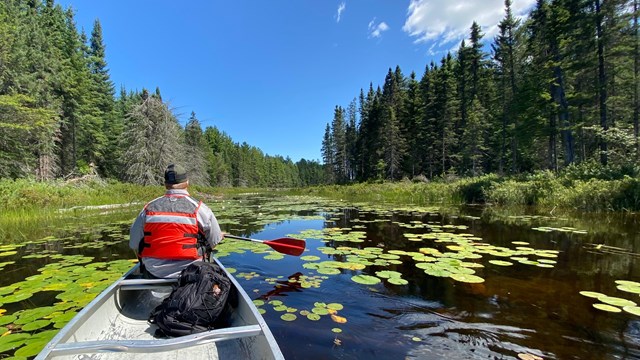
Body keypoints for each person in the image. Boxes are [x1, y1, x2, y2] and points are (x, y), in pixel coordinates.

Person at [129, 164, 224, 278]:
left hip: (153, 272)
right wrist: (216, 238)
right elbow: (214, 240)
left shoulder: (147, 209)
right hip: (192, 271)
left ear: (165, 184)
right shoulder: (200, 209)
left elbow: (134, 242)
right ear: (187, 182)